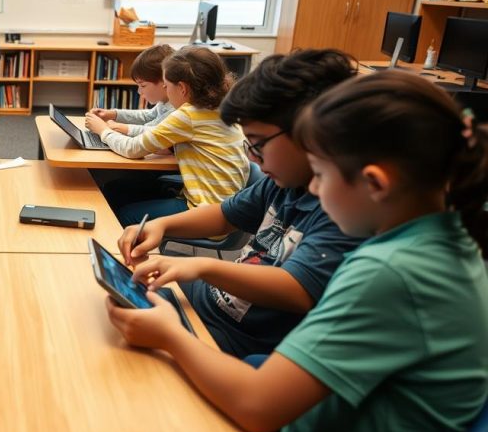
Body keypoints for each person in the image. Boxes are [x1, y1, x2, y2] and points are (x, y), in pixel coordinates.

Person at [106, 71, 488, 432]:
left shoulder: (389, 272)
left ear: (375, 184)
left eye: (320, 173)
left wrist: (171, 335)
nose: (316, 188)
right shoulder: (447, 241)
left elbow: (257, 405)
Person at [118, 49, 362, 357]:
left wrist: (201, 267)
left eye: (258, 145)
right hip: (214, 303)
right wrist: (161, 225)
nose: (250, 157)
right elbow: (223, 215)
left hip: (235, 336)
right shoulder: (282, 184)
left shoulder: (343, 213)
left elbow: (297, 289)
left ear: (311, 135)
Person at [86, 46, 248, 225]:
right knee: (119, 190)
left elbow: (132, 149)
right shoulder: (221, 107)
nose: (165, 89)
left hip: (207, 212)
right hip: (229, 207)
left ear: (182, 88)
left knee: (125, 214)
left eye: (166, 84)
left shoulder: (189, 115)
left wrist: (102, 130)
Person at [88, 43, 176, 150]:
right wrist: (113, 114)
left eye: (143, 85)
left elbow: (155, 132)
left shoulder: (176, 110)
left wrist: (120, 128)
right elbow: (148, 116)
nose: (139, 91)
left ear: (165, 82)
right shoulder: (166, 102)